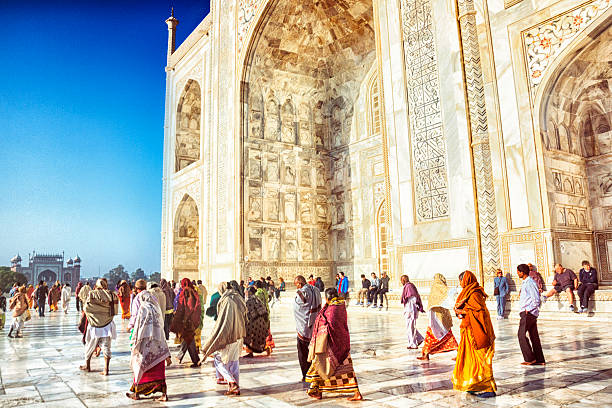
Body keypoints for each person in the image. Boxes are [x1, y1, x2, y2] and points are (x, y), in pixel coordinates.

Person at [305, 288, 363, 401]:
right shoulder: (339, 306)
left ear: (327, 298)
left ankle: (356, 393)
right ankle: (317, 390)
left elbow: (329, 324)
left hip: (333, 345)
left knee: (323, 364)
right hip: (339, 343)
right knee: (325, 367)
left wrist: (320, 321)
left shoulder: (332, 309)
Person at [452, 270, 496, 398]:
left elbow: (479, 313)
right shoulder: (468, 292)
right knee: (469, 359)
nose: (459, 284)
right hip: (469, 331)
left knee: (481, 360)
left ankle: (488, 388)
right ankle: (473, 384)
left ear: (464, 280)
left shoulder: (474, 293)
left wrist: (463, 311)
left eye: (460, 281)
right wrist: (460, 311)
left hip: (478, 332)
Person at [202, 281, 247, 396]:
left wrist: (214, 339)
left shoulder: (227, 300)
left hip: (230, 335)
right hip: (239, 333)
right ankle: (236, 387)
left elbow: (223, 321)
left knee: (218, 360)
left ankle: (232, 382)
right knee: (234, 361)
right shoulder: (238, 297)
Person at [126, 290, 170, 402]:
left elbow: (138, 327)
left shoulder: (143, 308)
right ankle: (164, 394)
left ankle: (136, 393)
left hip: (145, 344)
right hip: (158, 344)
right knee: (159, 372)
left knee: (139, 367)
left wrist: (134, 342)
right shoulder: (156, 309)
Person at [81, 279, 119, 375]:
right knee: (106, 347)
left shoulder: (92, 294)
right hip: (107, 324)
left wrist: (94, 314)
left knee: (90, 345)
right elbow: (115, 310)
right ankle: (106, 369)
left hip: (94, 325)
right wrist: (106, 313)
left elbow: (86, 308)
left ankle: (88, 366)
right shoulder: (112, 295)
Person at [417, 273, 458, 361]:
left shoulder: (436, 286)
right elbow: (447, 294)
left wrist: (455, 289)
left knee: (435, 333)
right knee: (443, 333)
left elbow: (446, 294)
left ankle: (426, 354)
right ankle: (426, 353)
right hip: (439, 315)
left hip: (436, 316)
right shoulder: (440, 287)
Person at [293, 275, 322, 381]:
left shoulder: (302, 293)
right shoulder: (316, 290)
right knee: (314, 350)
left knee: (303, 352)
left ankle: (306, 374)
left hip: (304, 327)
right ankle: (316, 372)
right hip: (315, 325)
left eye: (296, 285)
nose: (297, 288)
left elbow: (299, 308)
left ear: (300, 283)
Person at [516, 264, 545, 366]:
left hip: (528, 313)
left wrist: (529, 309)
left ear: (522, 272)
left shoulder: (530, 282)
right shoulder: (526, 282)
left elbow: (536, 298)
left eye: (518, 272)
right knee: (533, 336)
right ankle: (540, 359)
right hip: (528, 312)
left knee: (521, 335)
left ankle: (529, 358)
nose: (517, 273)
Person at [170, 278, 201, 367]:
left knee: (188, 337)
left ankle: (195, 360)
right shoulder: (193, 291)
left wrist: (183, 318)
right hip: (191, 319)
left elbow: (187, 306)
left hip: (187, 320)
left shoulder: (186, 292)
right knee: (188, 338)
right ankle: (191, 359)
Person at [243, 286, 269, 357]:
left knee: (249, 337)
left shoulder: (249, 301)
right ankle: (265, 349)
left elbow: (248, 312)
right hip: (260, 321)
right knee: (257, 338)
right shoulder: (256, 298)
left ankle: (250, 352)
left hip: (253, 322)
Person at [400, 275, 424, 349]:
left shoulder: (409, 286)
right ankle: (419, 339)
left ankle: (413, 344)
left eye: (401, 280)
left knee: (410, 327)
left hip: (411, 310)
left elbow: (413, 299)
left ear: (404, 280)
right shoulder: (408, 286)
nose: (401, 282)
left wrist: (412, 310)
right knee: (410, 326)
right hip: (409, 309)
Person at [254, 280, 275, 354]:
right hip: (267, 311)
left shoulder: (258, 293)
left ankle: (266, 347)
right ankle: (269, 345)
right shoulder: (265, 291)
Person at [193, 280, 206, 353]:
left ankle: (196, 348)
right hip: (199, 319)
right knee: (198, 334)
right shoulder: (200, 297)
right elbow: (202, 310)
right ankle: (197, 347)